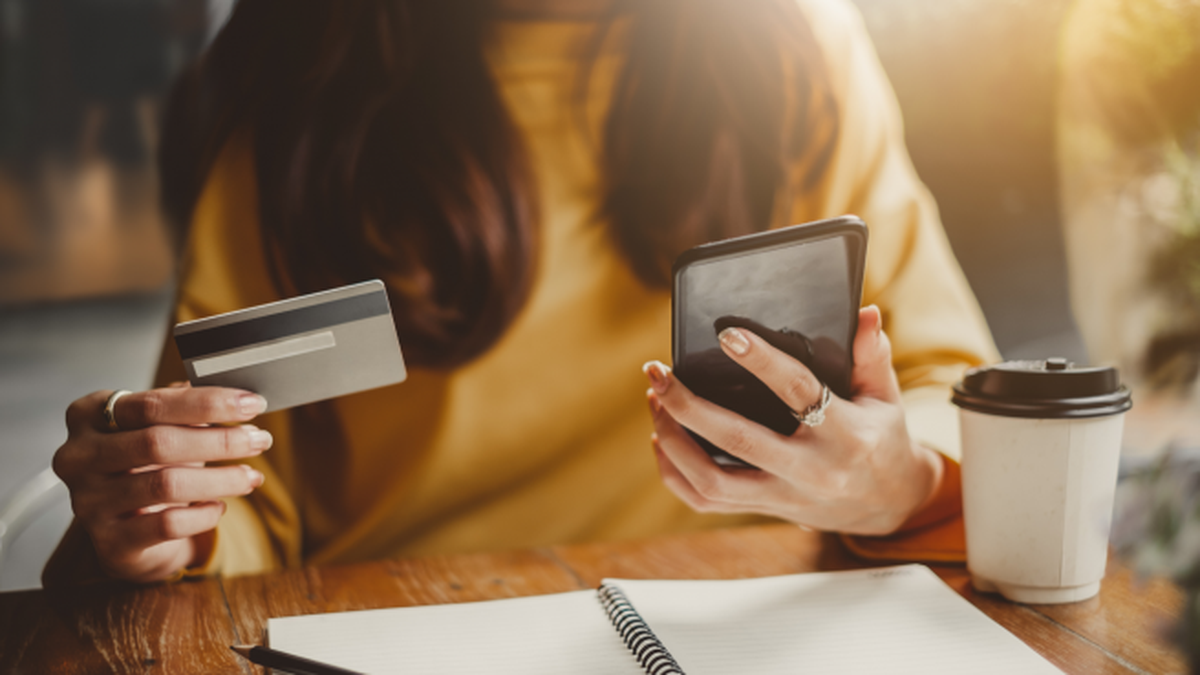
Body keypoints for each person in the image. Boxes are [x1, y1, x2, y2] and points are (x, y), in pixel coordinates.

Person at [45, 0, 997, 586]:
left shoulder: (800, 49)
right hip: (384, 623)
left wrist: (899, 484)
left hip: (751, 615)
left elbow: (950, 391)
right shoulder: (293, 91)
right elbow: (242, 488)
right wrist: (173, 525)